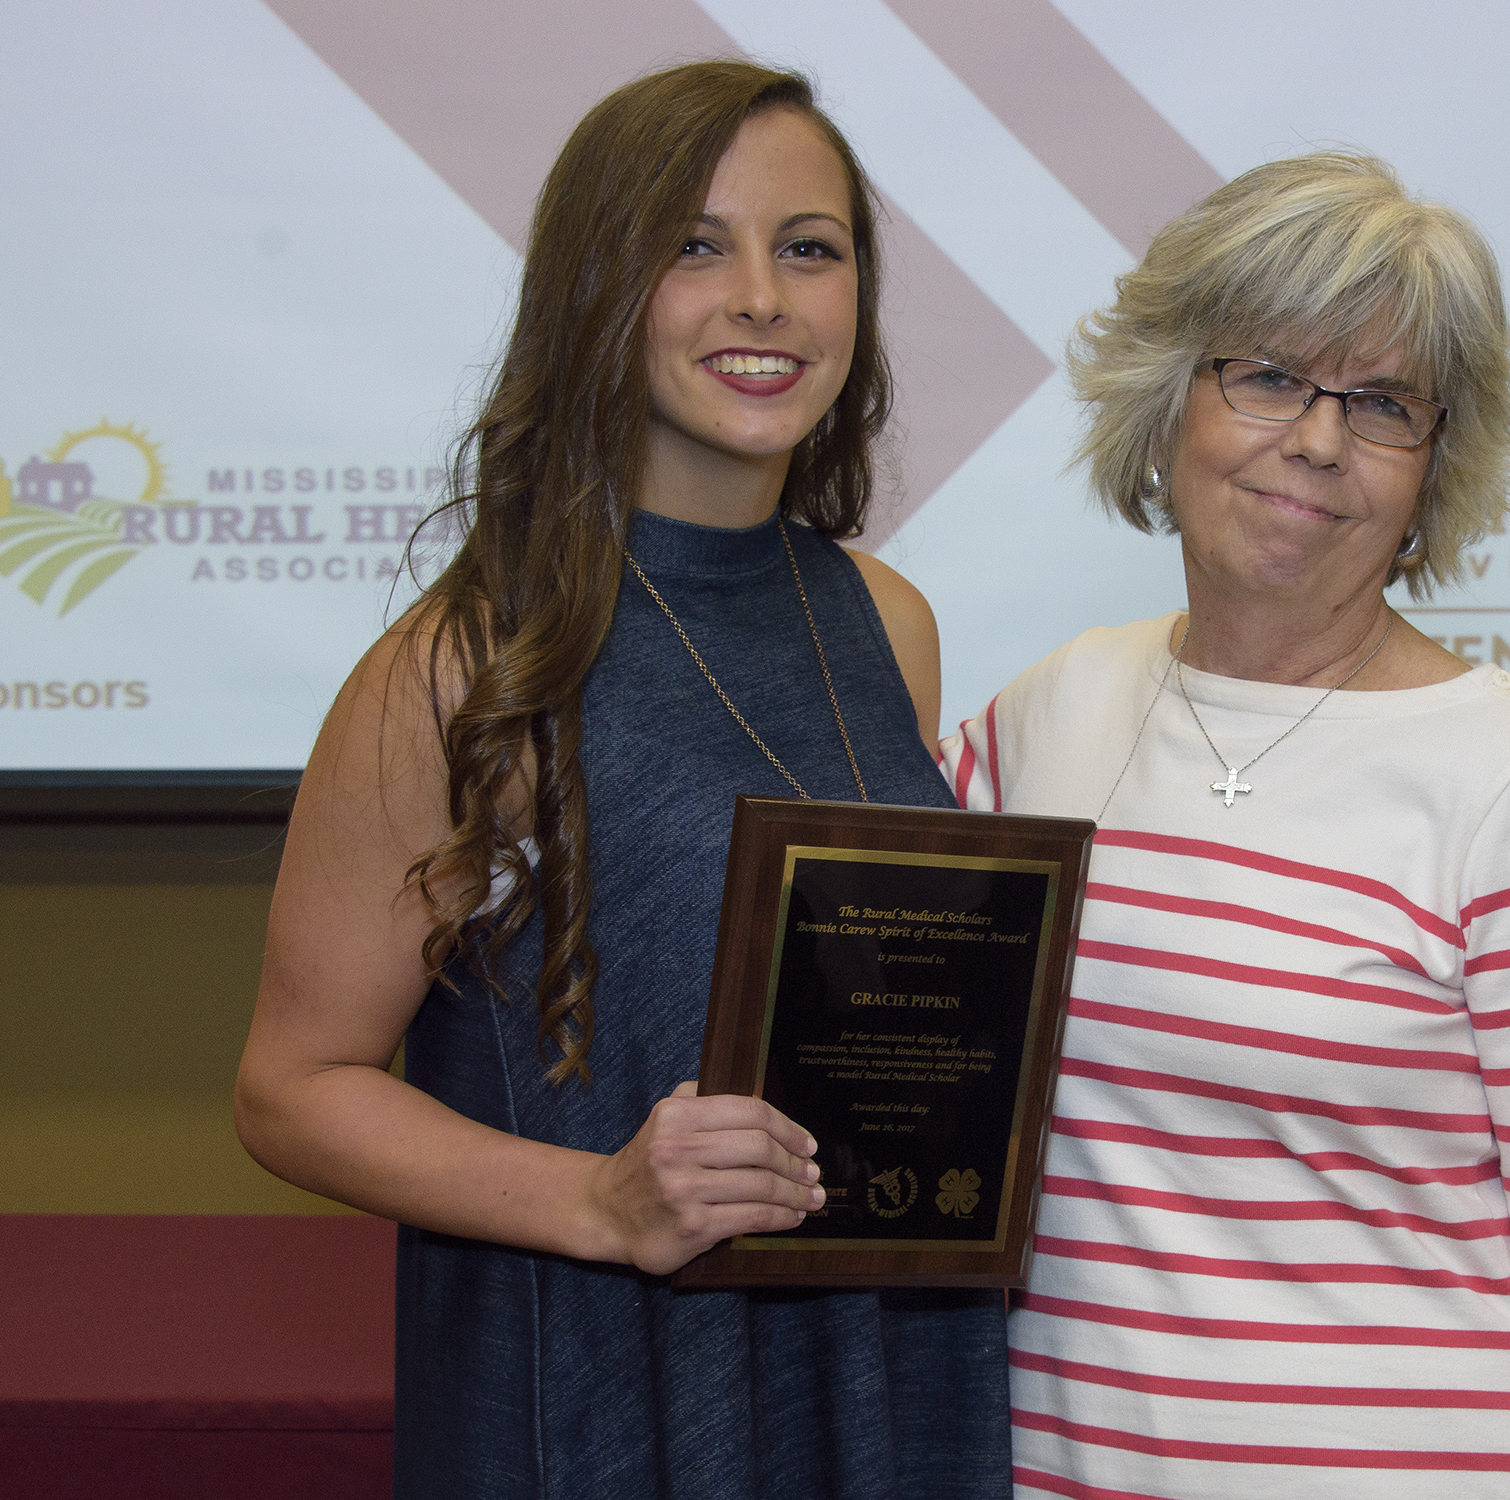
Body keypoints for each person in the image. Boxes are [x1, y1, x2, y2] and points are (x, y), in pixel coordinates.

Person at [234, 61, 1007, 1499]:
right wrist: (597, 1200)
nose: (763, 297)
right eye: (693, 245)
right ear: (596, 289)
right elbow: (293, 1085)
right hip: (604, 1403)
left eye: (811, 248)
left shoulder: (885, 623)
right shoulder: (470, 659)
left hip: (875, 1371)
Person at [941, 154, 1510, 1500]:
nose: (1322, 440)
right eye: (1273, 377)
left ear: (1431, 468)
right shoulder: (1046, 717)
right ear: (1168, 399)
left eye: (1385, 403)